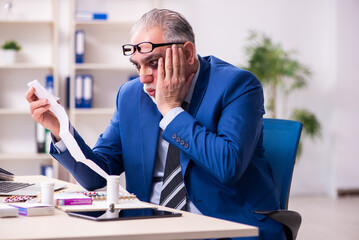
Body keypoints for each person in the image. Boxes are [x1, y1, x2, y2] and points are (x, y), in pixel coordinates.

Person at [26, 8, 284, 240]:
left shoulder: (237, 86)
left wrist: (171, 110)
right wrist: (61, 129)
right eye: (137, 65)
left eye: (153, 63)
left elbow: (228, 165)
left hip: (225, 226)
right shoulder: (130, 95)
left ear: (187, 53)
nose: (144, 77)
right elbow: (96, 176)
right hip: (149, 225)